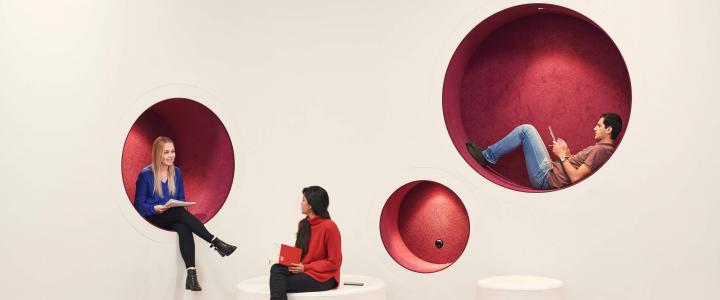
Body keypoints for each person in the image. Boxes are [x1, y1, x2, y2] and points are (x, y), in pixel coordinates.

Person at [134, 136, 237, 291]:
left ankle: (191, 275)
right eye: (166, 152)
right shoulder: (146, 174)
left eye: (173, 151)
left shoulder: (176, 172)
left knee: (183, 227)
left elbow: (180, 198)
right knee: (178, 213)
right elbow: (139, 205)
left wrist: (181, 205)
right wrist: (155, 208)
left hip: (173, 215)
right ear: (158, 154)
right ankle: (215, 242)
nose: (171, 155)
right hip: (154, 217)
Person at [466, 113, 623, 190]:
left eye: (599, 125)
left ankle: (487, 157)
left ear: (609, 129)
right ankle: (488, 156)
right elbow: (575, 168)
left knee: (526, 130)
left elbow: (575, 178)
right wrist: (567, 153)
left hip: (546, 179)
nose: (594, 128)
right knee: (526, 130)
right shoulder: (603, 150)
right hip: (551, 170)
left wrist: (562, 156)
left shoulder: (602, 151)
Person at [269, 186, 342, 300]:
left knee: (278, 283)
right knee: (276, 268)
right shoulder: (304, 224)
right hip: (305, 271)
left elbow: (334, 262)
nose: (301, 203)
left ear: (311, 204)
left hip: (324, 277)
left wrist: (306, 267)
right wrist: (284, 258)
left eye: (303, 200)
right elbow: (300, 253)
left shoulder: (330, 227)